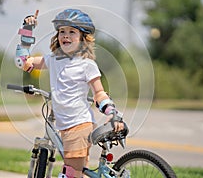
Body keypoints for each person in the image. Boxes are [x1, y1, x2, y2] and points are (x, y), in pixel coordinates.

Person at [21, 9, 125, 178]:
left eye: (72, 32)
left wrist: (112, 113)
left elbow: (99, 93)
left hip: (79, 124)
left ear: (83, 38)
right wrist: (27, 29)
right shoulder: (53, 59)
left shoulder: (86, 64)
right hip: (65, 124)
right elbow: (24, 62)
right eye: (62, 31)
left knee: (71, 172)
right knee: (77, 171)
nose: (65, 36)